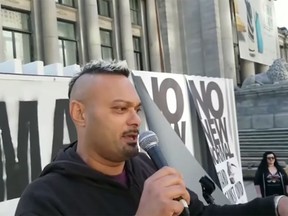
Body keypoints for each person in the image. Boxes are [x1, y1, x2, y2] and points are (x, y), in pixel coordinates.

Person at [16, 60, 288, 216]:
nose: (135, 120)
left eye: (136, 109)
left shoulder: (148, 167)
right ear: (80, 113)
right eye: (120, 109)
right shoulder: (44, 200)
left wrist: (276, 206)